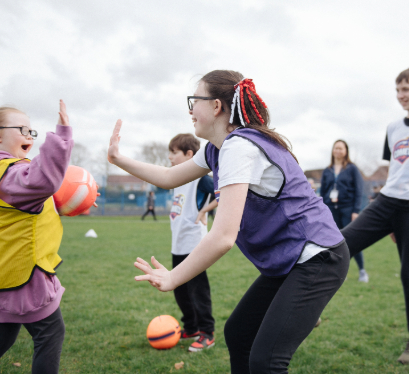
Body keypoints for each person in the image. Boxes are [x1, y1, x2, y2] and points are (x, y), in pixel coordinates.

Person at [108, 70, 349, 374]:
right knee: (238, 335)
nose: (190, 110)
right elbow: (169, 177)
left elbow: (223, 237)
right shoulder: (217, 149)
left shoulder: (239, 147)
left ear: (217, 106)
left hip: (317, 258)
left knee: (266, 361)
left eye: (194, 100)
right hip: (290, 263)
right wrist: (118, 159)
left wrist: (173, 277)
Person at [341, 67, 409, 366]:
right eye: (398, 90)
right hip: (387, 202)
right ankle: (307, 311)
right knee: (339, 246)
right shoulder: (393, 127)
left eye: (407, 90)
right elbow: (395, 171)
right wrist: (388, 219)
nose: (401, 96)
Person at [0, 101, 74, 374]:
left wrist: (73, 202)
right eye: (23, 129)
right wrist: (62, 136)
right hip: (21, 273)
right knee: (50, 334)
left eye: (32, 131)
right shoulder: (5, 172)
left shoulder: (5, 172)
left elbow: (34, 202)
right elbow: (42, 181)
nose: (30, 136)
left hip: (1, 270)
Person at [167, 133, 216, 352]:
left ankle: (207, 332)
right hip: (178, 243)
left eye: (174, 152)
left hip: (195, 244)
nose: (170, 157)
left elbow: (223, 191)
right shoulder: (177, 178)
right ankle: (192, 327)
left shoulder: (200, 177)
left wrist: (205, 210)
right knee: (180, 289)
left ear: (189, 154)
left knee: (198, 291)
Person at [320, 140, 369, 282]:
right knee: (334, 241)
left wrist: (355, 210)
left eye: (341, 148)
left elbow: (359, 191)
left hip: (348, 209)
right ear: (333, 150)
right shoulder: (327, 170)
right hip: (331, 209)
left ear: (346, 151)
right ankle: (340, 272)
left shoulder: (352, 169)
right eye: (336, 148)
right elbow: (323, 192)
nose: (338, 151)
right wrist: (322, 210)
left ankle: (362, 271)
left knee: (351, 241)